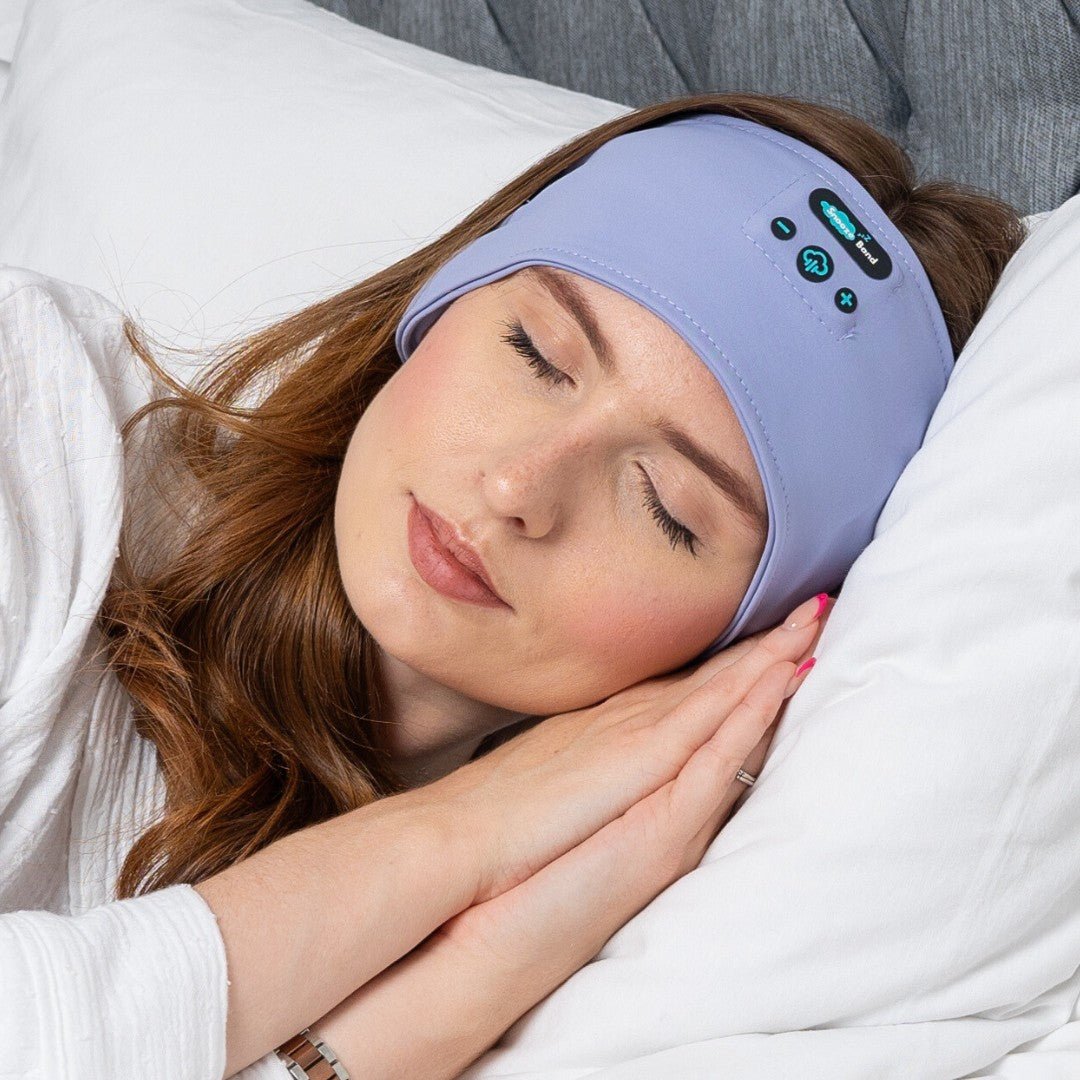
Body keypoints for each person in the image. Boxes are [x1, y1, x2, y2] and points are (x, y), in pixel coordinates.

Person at [0, 91, 1025, 1079]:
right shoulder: (38, 413)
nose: (517, 487)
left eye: (667, 506)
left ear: (746, 633)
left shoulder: (626, 955)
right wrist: (458, 833)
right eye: (535, 353)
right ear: (443, 297)